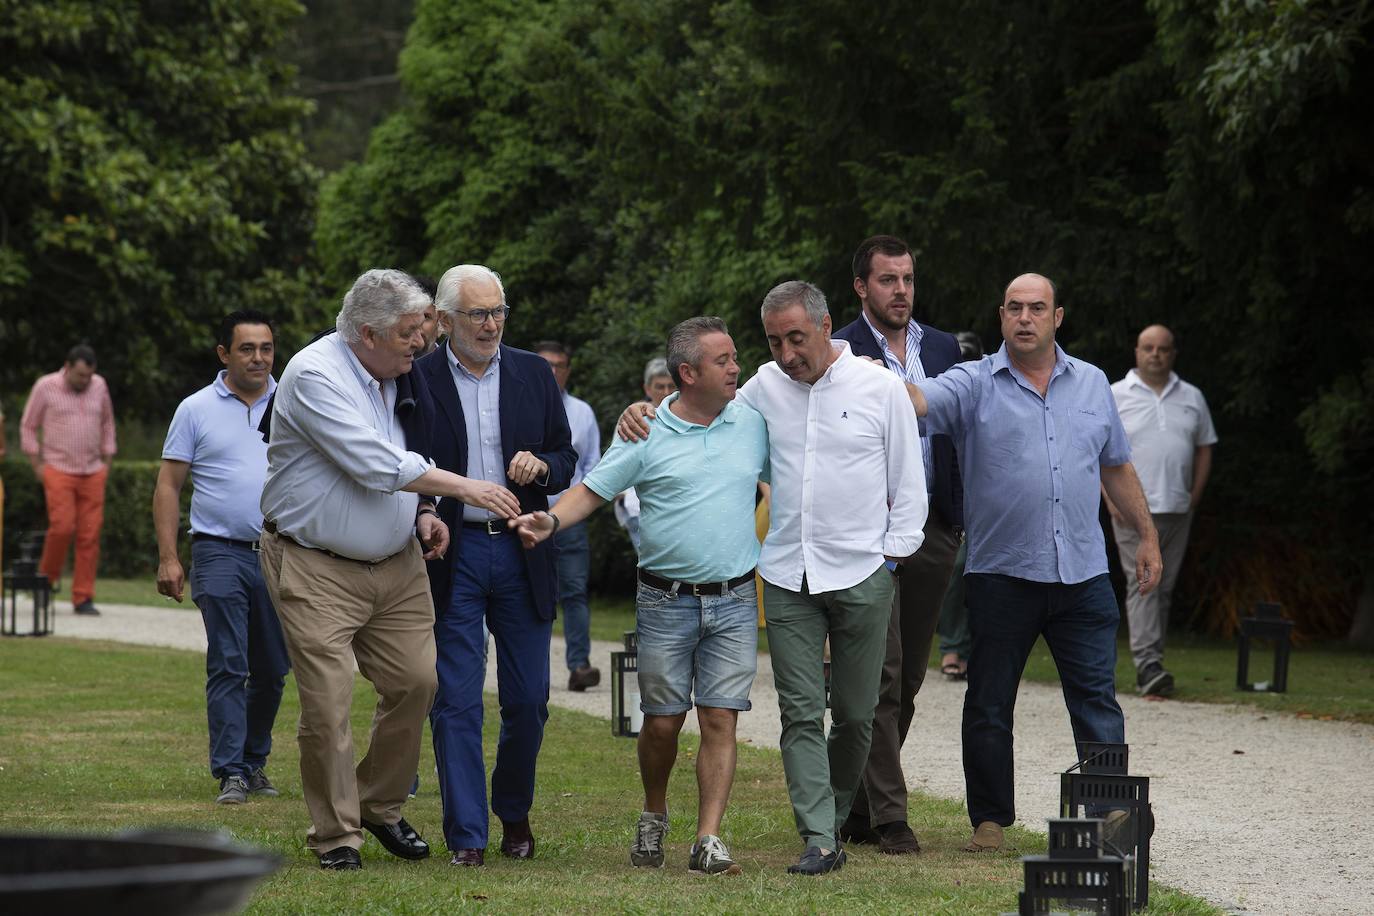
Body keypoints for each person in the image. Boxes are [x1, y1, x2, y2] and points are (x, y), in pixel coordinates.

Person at [618, 280, 927, 875]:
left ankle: (833, 817)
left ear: (827, 325)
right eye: (774, 341)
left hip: (863, 570)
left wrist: (891, 558)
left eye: (796, 339)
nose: (786, 354)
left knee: (859, 715)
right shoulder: (761, 389)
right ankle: (818, 836)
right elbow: (697, 414)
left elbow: (908, 485)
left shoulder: (879, 388)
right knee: (801, 713)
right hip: (786, 574)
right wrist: (645, 411)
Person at [258, 268, 520, 871]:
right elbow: (374, 463)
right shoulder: (314, 374)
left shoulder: (396, 373)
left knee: (417, 684)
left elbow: (412, 455)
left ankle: (379, 805)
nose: (421, 343)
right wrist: (467, 490)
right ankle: (336, 836)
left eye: (423, 329)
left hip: (397, 563)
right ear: (367, 333)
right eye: (409, 332)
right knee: (328, 703)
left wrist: (426, 509)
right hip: (313, 563)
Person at [904, 273, 1162, 854]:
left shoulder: (1093, 384)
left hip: (1084, 574)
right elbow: (917, 401)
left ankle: (1111, 821)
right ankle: (990, 821)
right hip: (1001, 575)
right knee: (990, 702)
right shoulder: (973, 384)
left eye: (1036, 308)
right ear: (1001, 317)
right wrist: (847, 373)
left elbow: (1115, 466)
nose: (1025, 318)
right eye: (1015, 308)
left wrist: (1145, 534)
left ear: (1057, 317)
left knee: (1097, 701)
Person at [514, 317, 768, 876]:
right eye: (723, 360)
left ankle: (708, 838)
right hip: (664, 601)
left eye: (734, 357)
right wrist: (551, 523)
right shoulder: (644, 431)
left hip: (733, 599)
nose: (736, 368)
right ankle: (654, 812)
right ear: (687, 372)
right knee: (662, 723)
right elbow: (593, 489)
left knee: (721, 718)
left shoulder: (753, 422)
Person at [415, 265, 577, 868]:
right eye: (478, 314)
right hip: (451, 550)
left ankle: (513, 809)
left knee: (529, 698)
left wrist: (543, 467)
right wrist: (427, 508)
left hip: (522, 548)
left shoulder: (534, 373)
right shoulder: (420, 375)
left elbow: (567, 455)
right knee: (455, 698)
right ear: (445, 319)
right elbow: (403, 463)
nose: (490, 325)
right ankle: (466, 834)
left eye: (498, 312)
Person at [831, 235, 964, 855]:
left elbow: (957, 430)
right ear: (862, 287)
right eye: (888, 280)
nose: (901, 290)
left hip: (934, 527)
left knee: (908, 679)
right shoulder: (837, 352)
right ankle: (891, 817)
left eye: (908, 279)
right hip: (868, 535)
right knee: (877, 678)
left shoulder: (941, 348)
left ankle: (856, 805)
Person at [153, 310, 291, 805]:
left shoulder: (293, 401)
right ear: (224, 354)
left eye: (266, 348)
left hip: (281, 552)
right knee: (229, 662)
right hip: (218, 551)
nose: (258, 357)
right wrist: (169, 558)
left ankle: (254, 761)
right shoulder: (195, 409)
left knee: (273, 668)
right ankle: (231, 769)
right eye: (247, 348)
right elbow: (169, 485)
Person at [1108, 324, 1217, 697]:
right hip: (1132, 510)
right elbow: (1095, 449)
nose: (1156, 354)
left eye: (1163, 349)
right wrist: (1110, 500)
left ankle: (1153, 659)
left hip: (1176, 508)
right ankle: (1147, 664)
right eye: (1149, 348)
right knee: (1144, 585)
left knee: (1164, 588)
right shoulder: (1115, 394)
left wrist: (1194, 495)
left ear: (1173, 354)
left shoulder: (1192, 397)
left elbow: (1205, 446)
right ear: (1137, 351)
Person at [20, 345, 117, 616]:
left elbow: (108, 423)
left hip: (92, 470)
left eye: (88, 376)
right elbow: (28, 425)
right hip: (58, 468)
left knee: (90, 534)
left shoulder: (99, 386)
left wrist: (107, 461)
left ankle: (83, 597)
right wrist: (36, 463)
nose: (84, 381)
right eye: (80, 376)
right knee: (62, 527)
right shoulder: (46, 386)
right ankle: (45, 583)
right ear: (68, 367)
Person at [535, 340, 603, 691]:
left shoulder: (581, 412)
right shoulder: (521, 406)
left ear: (568, 370)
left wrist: (577, 503)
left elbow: (592, 464)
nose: (552, 372)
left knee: (574, 591)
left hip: (570, 516)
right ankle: (534, 670)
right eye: (545, 365)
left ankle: (579, 666)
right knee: (531, 593)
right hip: (528, 514)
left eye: (559, 365)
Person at [936, 331, 986, 681]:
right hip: (951, 497)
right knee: (956, 569)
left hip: (986, 494)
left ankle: (977, 649)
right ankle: (953, 645)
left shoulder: (989, 390)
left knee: (981, 572)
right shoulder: (942, 392)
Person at [612, 357, 676, 552]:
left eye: (671, 386)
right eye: (659, 386)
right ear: (647, 389)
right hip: (638, 509)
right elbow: (615, 464)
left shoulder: (689, 415)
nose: (665, 392)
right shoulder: (633, 417)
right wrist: (623, 497)